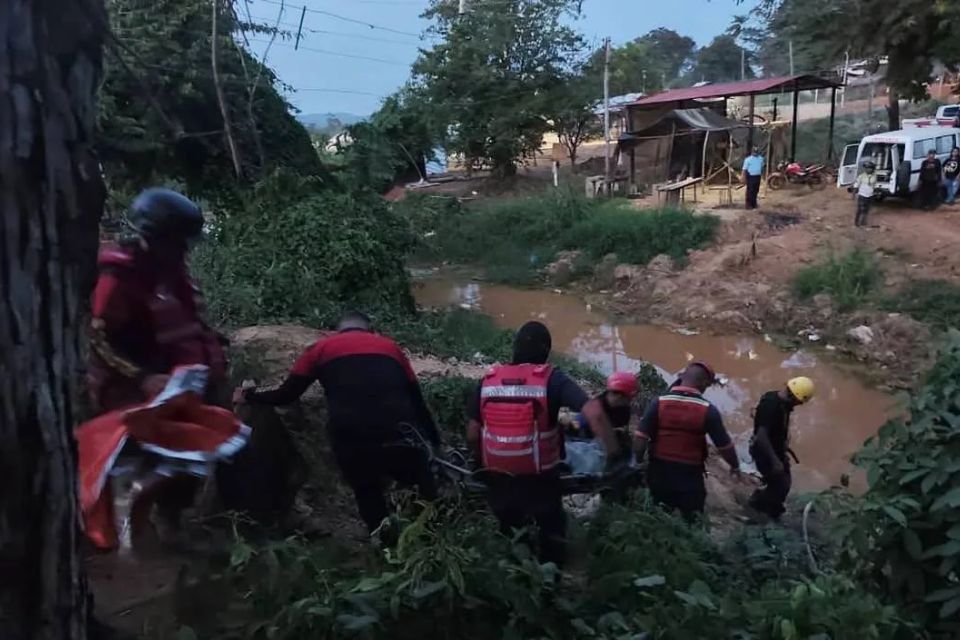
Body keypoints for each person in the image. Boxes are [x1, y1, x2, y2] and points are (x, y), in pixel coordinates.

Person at [237, 311, 439, 538]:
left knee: (367, 490)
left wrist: (250, 396)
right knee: (420, 486)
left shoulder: (320, 348)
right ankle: (430, 537)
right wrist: (434, 442)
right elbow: (417, 400)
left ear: (334, 331)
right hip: (400, 430)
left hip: (351, 433)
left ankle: (384, 542)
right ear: (371, 330)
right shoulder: (391, 348)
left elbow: (286, 394)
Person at [466, 321, 622, 566]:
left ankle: (517, 576)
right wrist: (615, 456)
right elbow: (595, 413)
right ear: (546, 352)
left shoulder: (488, 381)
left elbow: (473, 434)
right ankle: (552, 579)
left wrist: (480, 462)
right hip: (540, 481)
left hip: (499, 478)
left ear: (514, 349)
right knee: (553, 532)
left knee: (511, 536)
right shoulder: (551, 379)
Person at [88, 187, 228, 412]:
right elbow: (98, 339)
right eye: (177, 243)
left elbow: (189, 324)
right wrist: (143, 378)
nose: (184, 251)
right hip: (138, 404)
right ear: (154, 239)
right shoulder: (119, 280)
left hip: (186, 393)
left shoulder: (174, 276)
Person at [634, 361, 741, 521]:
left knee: (658, 514)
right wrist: (735, 466)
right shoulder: (708, 410)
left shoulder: (659, 402)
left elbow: (641, 437)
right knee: (692, 518)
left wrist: (637, 464)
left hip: (659, 470)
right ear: (704, 383)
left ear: (682, 377)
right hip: (689, 474)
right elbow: (724, 446)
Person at [747, 377, 815, 520]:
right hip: (764, 452)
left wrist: (783, 444)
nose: (798, 405)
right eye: (798, 402)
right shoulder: (771, 406)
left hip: (775, 449)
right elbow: (761, 436)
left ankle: (767, 502)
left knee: (783, 481)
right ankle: (760, 507)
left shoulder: (782, 403)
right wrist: (775, 461)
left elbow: (776, 425)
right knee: (780, 484)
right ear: (793, 396)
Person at [851, 160, 878, 227]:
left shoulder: (875, 176)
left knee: (867, 209)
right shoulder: (861, 176)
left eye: (870, 168)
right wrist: (853, 194)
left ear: (872, 169)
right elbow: (856, 185)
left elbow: (874, 185)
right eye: (866, 168)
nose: (868, 169)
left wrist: (875, 192)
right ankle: (856, 222)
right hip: (862, 195)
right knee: (860, 209)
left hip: (870, 195)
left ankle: (863, 221)